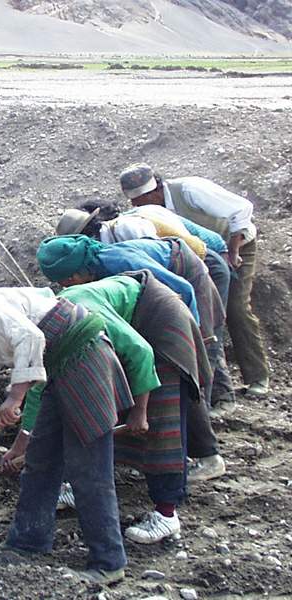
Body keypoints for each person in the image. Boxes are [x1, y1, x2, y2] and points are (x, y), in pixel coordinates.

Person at [0, 280, 133, 584]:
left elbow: (30, 337)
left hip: (83, 356)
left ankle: (109, 562)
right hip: (56, 372)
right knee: (40, 461)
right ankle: (28, 541)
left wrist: (15, 397)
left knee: (88, 468)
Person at [10, 271, 212, 543]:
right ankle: (77, 488)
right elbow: (40, 387)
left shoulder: (80, 314)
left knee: (162, 420)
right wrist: (23, 441)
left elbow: (141, 351)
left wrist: (140, 412)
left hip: (159, 321)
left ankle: (167, 514)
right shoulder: (49, 326)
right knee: (100, 407)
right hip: (126, 329)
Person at [37, 235, 227, 481]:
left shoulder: (119, 261)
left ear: (75, 273)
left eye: (65, 281)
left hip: (185, 289)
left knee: (184, 376)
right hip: (150, 307)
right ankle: (149, 454)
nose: (64, 287)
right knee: (143, 372)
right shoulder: (91, 275)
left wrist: (194, 334)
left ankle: (209, 456)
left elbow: (181, 288)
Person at [57, 201, 236, 412]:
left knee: (204, 343)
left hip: (196, 268)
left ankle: (212, 403)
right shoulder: (95, 257)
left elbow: (174, 283)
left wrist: (192, 326)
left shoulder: (124, 234)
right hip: (166, 283)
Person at [120, 163, 270, 396]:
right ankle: (215, 385)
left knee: (235, 308)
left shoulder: (190, 191)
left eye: (141, 199)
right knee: (206, 313)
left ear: (156, 190)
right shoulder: (148, 212)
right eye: (133, 201)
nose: (137, 206)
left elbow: (242, 209)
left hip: (234, 244)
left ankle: (257, 376)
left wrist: (233, 251)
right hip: (199, 255)